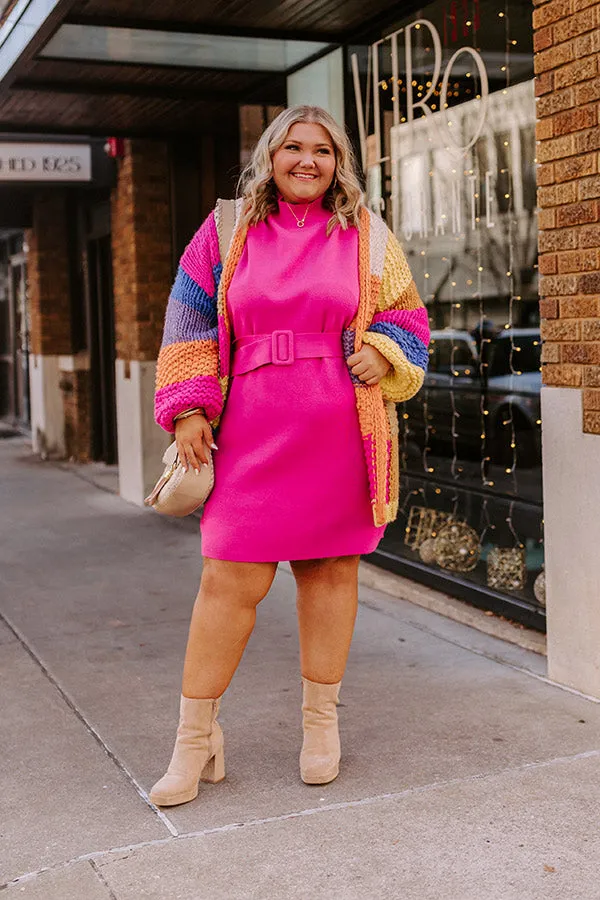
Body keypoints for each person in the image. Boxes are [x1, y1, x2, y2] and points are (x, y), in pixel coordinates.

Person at [150, 105, 429, 807]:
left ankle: (319, 727)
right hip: (247, 431)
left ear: (340, 164)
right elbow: (188, 317)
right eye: (294, 148)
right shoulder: (224, 229)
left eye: (323, 151)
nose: (308, 161)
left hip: (339, 428)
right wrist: (187, 407)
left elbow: (408, 315)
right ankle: (195, 739)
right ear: (270, 156)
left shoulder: (368, 235)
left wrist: (383, 351)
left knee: (330, 574)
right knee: (227, 583)